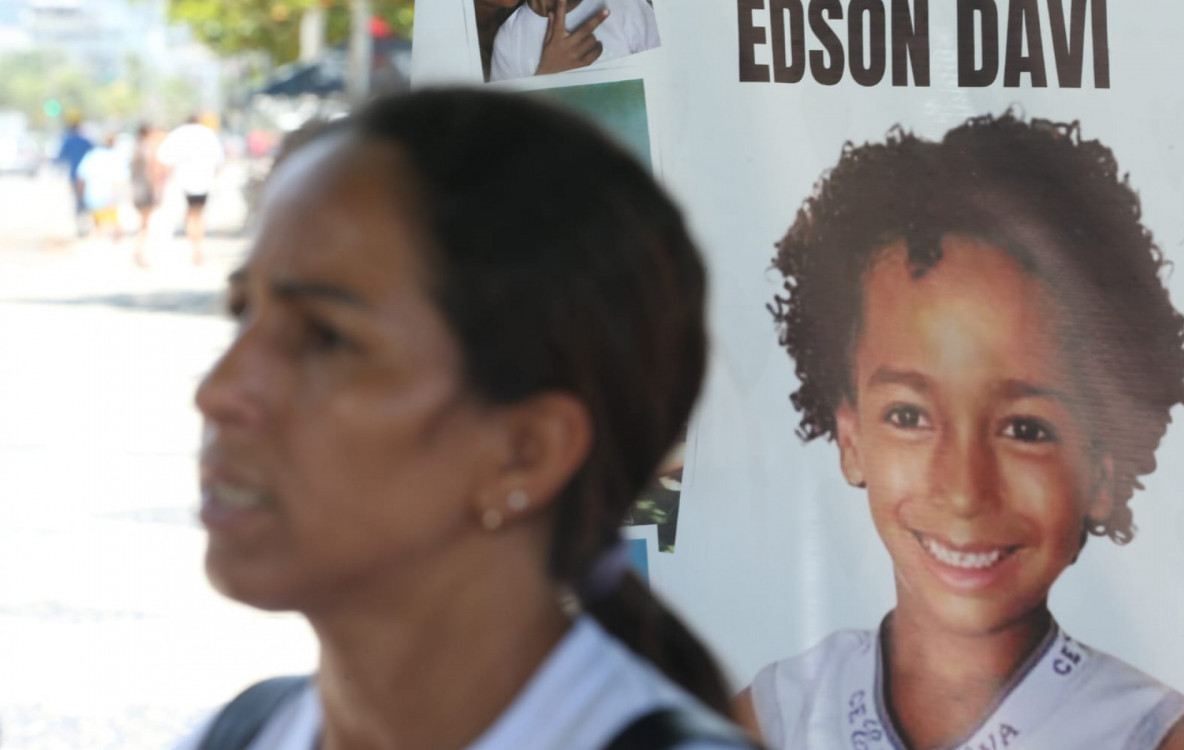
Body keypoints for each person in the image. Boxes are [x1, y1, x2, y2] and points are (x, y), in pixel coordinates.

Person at [176, 90, 759, 750]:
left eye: (326, 339)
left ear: (524, 453)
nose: (220, 393)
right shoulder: (242, 732)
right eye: (240, 312)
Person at [748, 113, 1184, 749]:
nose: (963, 491)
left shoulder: (1151, 735)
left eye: (1025, 428)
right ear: (851, 440)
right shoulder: (778, 717)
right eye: (908, 416)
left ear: (1103, 469)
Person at [491, 0, 659, 82]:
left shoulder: (625, 6)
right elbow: (511, 129)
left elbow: (670, 84)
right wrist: (548, 76)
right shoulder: (508, 38)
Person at [157, 114, 224, 265]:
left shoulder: (179, 133)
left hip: (186, 181)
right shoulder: (207, 134)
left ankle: (195, 246)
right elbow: (219, 159)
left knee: (191, 215)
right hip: (205, 181)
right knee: (198, 214)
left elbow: (163, 157)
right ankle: (197, 246)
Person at [74, 134, 126, 245]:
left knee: (98, 224)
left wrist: (80, 194)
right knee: (113, 226)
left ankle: (93, 246)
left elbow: (81, 177)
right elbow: (119, 179)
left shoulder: (92, 155)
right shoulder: (115, 156)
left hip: (92, 195)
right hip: (109, 195)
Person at [130, 123, 164, 267]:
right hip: (145, 189)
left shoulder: (135, 149)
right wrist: (158, 190)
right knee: (145, 224)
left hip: (136, 189)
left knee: (143, 223)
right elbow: (153, 171)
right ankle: (140, 251)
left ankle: (139, 250)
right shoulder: (148, 149)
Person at [55, 111, 93, 235]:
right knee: (86, 200)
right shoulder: (85, 141)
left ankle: (81, 227)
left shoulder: (68, 141)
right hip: (86, 176)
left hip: (75, 176)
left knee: (78, 201)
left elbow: (60, 158)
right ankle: (86, 226)